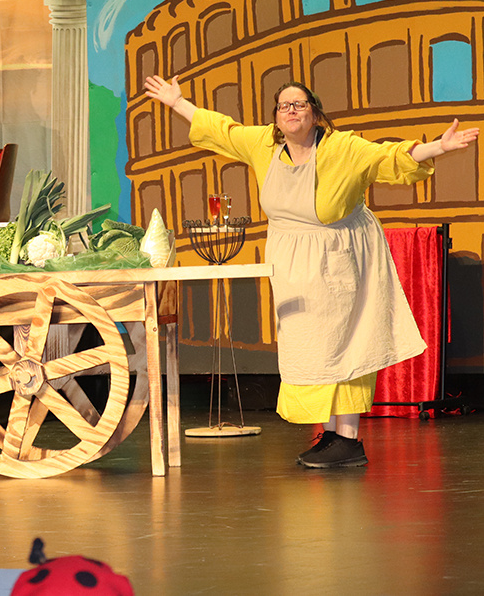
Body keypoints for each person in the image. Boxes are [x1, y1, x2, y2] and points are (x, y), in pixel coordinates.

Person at [143, 74, 478, 468]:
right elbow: (222, 130)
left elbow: (385, 157)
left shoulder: (342, 148)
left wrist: (438, 146)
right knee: (312, 347)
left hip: (339, 256)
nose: (290, 111)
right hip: (293, 264)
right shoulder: (264, 144)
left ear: (315, 114)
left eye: (299, 104)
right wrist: (177, 102)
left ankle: (349, 439)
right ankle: (330, 434)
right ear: (276, 116)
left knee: (346, 343)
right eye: (283, 105)